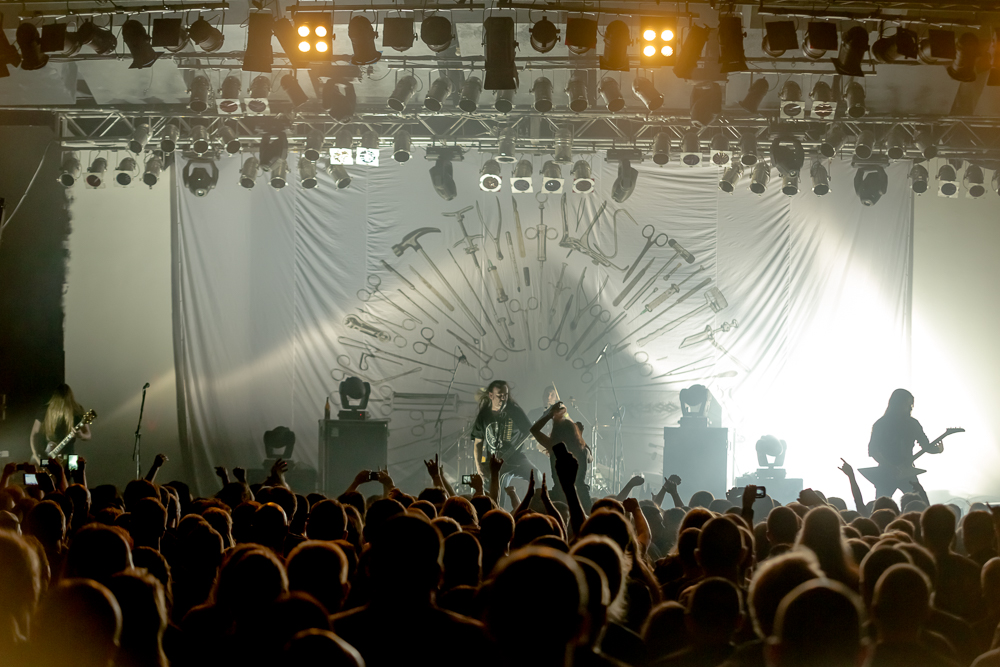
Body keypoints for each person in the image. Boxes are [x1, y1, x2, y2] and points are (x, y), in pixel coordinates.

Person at [867, 389, 937, 498]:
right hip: (886, 473)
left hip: (906, 471)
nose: (910, 407)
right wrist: (890, 466)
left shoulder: (913, 423)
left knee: (920, 501)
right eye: (907, 404)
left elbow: (926, 446)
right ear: (897, 403)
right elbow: (873, 450)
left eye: (911, 405)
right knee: (883, 504)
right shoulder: (881, 424)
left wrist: (937, 450)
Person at [470, 380, 536, 488]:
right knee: (496, 491)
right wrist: (479, 466)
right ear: (491, 395)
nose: (503, 398)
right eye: (499, 396)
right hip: (494, 462)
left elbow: (530, 433)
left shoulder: (515, 411)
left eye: (505, 395)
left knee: (537, 476)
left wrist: (536, 436)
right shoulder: (484, 416)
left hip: (517, 459)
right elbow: (478, 443)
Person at [530, 401, 592, 509]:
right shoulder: (584, 451)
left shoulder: (554, 448)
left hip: (560, 495)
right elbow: (591, 458)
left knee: (534, 501)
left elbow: (534, 430)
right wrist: (580, 436)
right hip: (582, 496)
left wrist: (549, 415)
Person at [29, 383, 91, 465]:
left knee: (74, 471)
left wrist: (81, 435)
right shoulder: (45, 410)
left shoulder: (77, 410)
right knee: (46, 473)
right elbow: (34, 434)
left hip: (69, 455)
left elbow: (88, 435)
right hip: (48, 455)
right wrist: (36, 455)